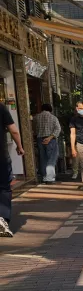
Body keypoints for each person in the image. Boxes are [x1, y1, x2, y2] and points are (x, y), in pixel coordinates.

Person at [0, 101, 25, 236]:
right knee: (3, 187)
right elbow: (14, 130)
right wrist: (20, 147)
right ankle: (2, 218)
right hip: (1, 157)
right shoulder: (1, 108)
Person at [32, 103, 61, 183]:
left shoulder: (36, 117)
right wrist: (50, 137)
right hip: (51, 139)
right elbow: (58, 129)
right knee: (51, 158)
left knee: (43, 158)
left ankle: (44, 176)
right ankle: (50, 177)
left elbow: (34, 128)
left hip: (40, 139)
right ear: (50, 109)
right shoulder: (53, 118)